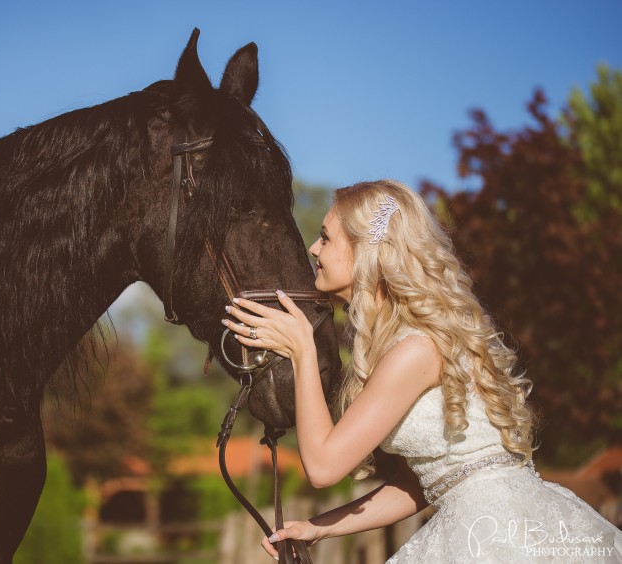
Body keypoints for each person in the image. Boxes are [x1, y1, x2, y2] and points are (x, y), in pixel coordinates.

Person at [222, 179, 622, 562]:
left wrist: (302, 351)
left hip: (494, 537)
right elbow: (423, 483)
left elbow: (324, 467)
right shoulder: (412, 344)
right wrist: (318, 527)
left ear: (368, 252)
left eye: (326, 237)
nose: (313, 248)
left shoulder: (416, 349)